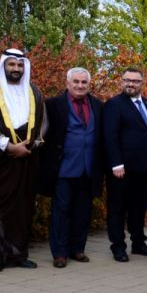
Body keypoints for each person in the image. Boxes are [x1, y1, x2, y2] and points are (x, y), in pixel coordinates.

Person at [0, 48, 48, 272]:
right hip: (2, 159)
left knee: (24, 207)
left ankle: (19, 253)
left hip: (28, 156)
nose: (16, 69)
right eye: (11, 65)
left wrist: (32, 144)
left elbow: (43, 121)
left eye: (19, 65)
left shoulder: (34, 91)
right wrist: (8, 146)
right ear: (3, 66)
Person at [39, 67, 104, 268]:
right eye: (76, 82)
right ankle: (59, 252)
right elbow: (44, 136)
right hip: (63, 168)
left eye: (84, 82)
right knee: (61, 211)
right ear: (67, 83)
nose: (80, 85)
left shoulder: (98, 106)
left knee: (83, 211)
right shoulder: (52, 105)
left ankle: (78, 248)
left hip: (88, 168)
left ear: (89, 84)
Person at [102, 68, 147, 262]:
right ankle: (118, 246)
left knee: (138, 207)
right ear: (121, 82)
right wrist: (116, 163)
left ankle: (138, 243)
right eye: (127, 80)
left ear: (142, 83)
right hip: (121, 169)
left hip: (141, 169)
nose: (131, 84)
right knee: (117, 208)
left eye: (135, 81)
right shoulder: (114, 104)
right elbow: (110, 136)